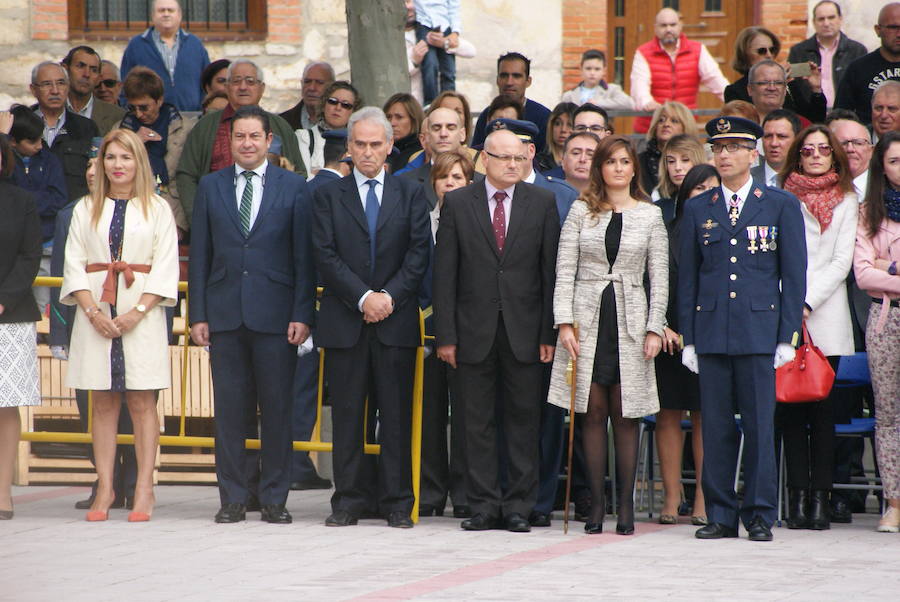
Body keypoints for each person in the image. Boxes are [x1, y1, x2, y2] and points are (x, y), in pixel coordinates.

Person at [678, 116, 806, 542]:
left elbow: (794, 274)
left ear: (753, 154)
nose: (725, 154)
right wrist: (690, 337)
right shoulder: (699, 207)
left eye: (734, 147)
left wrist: (788, 335)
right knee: (714, 427)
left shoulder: (780, 204)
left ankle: (759, 514)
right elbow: (689, 278)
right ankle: (719, 513)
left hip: (758, 330)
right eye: (718, 147)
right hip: (712, 330)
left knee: (759, 426)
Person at [189, 106, 315, 524]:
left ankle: (275, 497)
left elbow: (303, 257)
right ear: (230, 141)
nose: (246, 144)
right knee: (230, 411)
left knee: (278, 409)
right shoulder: (210, 186)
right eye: (239, 137)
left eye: (254, 137)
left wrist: (303, 313)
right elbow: (202, 254)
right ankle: (233, 498)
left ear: (268, 140)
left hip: (277, 315)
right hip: (224, 315)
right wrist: (198, 314)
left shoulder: (295, 187)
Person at [433, 128, 559, 533]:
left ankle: (519, 506)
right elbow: (445, 275)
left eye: (519, 159)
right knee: (476, 422)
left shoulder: (541, 201)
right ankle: (483, 504)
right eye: (504, 158)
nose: (512, 165)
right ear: (483, 159)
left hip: (525, 331)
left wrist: (547, 335)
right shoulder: (458, 202)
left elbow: (549, 273)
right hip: (472, 331)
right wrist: (446, 336)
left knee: (524, 421)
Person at [312, 107, 430, 528]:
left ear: (390, 146)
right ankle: (348, 501)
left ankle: (398, 501)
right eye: (359, 144)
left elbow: (419, 255)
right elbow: (324, 255)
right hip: (346, 320)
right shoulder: (328, 194)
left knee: (395, 415)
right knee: (347, 415)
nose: (366, 152)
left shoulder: (411, 193)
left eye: (375, 144)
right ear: (348, 147)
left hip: (395, 322)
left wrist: (388, 298)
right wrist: (363, 298)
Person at [548, 134, 667, 534]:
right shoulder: (582, 210)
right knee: (592, 412)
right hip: (587, 314)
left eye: (624, 161)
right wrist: (564, 321)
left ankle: (627, 507)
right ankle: (596, 505)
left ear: (634, 168)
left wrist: (654, 326)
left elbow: (659, 277)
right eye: (610, 161)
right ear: (600, 168)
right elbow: (565, 268)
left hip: (630, 317)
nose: (617, 168)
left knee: (626, 413)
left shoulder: (650, 215)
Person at [60, 128, 179, 522]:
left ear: (138, 162)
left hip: (140, 314)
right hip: (95, 313)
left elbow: (165, 265)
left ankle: (144, 487)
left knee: (143, 401)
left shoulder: (157, 207)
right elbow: (73, 262)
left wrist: (137, 312)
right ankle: (106, 486)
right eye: (111, 157)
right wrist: (93, 311)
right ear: (101, 163)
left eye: (126, 157)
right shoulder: (85, 208)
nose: (118, 165)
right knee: (104, 402)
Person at [777, 124, 857, 531]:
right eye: (807, 150)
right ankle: (796, 498)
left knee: (824, 413)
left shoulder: (847, 199)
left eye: (823, 149)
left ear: (834, 155)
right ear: (798, 155)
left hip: (826, 315)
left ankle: (821, 501)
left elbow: (842, 261)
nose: (815, 156)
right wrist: (791, 302)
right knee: (791, 410)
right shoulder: (780, 196)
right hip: (785, 313)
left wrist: (806, 301)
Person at [653, 163, 721, 527]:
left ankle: (702, 499)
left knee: (704, 417)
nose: (705, 195)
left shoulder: (727, 231)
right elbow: (653, 280)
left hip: (708, 336)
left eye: (712, 188)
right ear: (685, 194)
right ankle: (671, 495)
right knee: (667, 414)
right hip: (668, 336)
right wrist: (661, 325)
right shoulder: (667, 230)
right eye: (698, 189)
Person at [176, 59, 305, 228]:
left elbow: (299, 174)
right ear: (227, 87)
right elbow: (187, 174)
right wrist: (198, 218)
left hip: (271, 226)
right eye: (236, 81)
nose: (243, 87)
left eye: (250, 81)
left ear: (262, 88)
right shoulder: (206, 126)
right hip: (215, 222)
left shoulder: (280, 126)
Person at [418, 149, 475, 518]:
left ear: (470, 184)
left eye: (457, 178)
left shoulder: (475, 222)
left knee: (469, 415)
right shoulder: (421, 223)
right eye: (444, 178)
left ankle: (467, 492)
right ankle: (430, 490)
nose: (450, 184)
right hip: (425, 330)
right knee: (429, 413)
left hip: (467, 330)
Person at [854, 130, 900, 533]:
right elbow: (864, 274)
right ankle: (893, 502)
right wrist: (885, 270)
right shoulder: (869, 210)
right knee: (887, 415)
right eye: (893, 161)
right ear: (881, 166)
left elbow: (879, 269)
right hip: (886, 318)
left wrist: (889, 266)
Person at [0, 133, 42, 521]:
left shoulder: (21, 201)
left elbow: (30, 257)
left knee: (5, 404)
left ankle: (3, 493)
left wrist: (4, 297)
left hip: (8, 314)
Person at [3, 106, 67, 314]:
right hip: (12, 250)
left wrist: (25, 203)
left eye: (41, 139)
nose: (40, 145)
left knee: (44, 305)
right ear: (12, 142)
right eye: (32, 141)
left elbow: (59, 199)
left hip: (47, 243)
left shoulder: (50, 160)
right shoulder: (8, 166)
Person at [120, 66, 192, 236]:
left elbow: (189, 177)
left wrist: (181, 223)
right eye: (132, 108)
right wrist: (134, 143)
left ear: (159, 101)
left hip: (174, 211)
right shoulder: (121, 131)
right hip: (132, 212)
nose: (138, 114)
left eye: (144, 107)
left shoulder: (185, 128)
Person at [630, 7, 728, 133]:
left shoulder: (698, 50)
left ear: (680, 26)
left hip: (684, 126)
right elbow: (639, 83)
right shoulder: (643, 52)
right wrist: (646, 102)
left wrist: (733, 100)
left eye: (672, 24)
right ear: (655, 28)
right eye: (663, 25)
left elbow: (715, 79)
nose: (668, 29)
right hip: (651, 127)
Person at [119, 0, 210, 112]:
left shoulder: (195, 44)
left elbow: (207, 84)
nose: (166, 14)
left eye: (170, 10)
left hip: (192, 118)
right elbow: (125, 86)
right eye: (161, 10)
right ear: (152, 15)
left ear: (179, 15)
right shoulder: (137, 45)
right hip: (150, 120)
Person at [30, 60, 100, 203]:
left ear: (68, 87)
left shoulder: (86, 128)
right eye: (47, 84)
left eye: (61, 83)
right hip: (30, 217)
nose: (55, 90)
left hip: (74, 214)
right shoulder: (21, 125)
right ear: (33, 89)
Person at [726, 27, 827, 125]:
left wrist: (816, 90)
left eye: (772, 50)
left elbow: (814, 121)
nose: (769, 55)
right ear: (745, 54)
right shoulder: (735, 90)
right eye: (762, 51)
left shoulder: (788, 82)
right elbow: (742, 123)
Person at [787, 1, 868, 109]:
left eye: (831, 18)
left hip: (846, 114)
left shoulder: (856, 51)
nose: (826, 23)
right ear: (814, 22)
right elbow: (794, 87)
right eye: (821, 19)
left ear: (840, 19)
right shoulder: (800, 52)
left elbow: (863, 88)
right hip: (811, 115)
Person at [471, 52, 551, 152]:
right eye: (504, 76)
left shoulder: (543, 116)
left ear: (528, 81)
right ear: (497, 80)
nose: (509, 82)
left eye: (516, 76)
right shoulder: (486, 114)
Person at [835, 3, 900, 126]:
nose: (899, 34)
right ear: (878, 30)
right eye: (893, 27)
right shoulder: (858, 69)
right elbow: (840, 118)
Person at [400, 107, 466, 209]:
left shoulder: (481, 182)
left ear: (462, 134)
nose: (443, 134)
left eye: (450, 127)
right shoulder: (405, 183)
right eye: (436, 128)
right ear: (427, 137)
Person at [299, 80, 361, 177]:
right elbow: (303, 177)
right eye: (333, 102)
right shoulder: (304, 137)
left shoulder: (359, 143)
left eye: (345, 105)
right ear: (324, 105)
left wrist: (321, 173)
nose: (338, 108)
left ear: (354, 112)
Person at [62, 46, 125, 136]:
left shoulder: (118, 116)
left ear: (98, 77)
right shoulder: (47, 110)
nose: (87, 74)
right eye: (80, 66)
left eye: (93, 70)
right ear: (65, 69)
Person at [638, 101, 697, 196]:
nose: (666, 124)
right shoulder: (639, 161)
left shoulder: (696, 158)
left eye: (674, 121)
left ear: (685, 126)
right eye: (661, 120)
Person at [746, 60, 825, 126]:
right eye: (764, 83)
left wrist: (816, 89)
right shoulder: (740, 122)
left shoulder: (801, 124)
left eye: (778, 83)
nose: (772, 88)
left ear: (785, 90)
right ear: (750, 89)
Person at [412, 0, 460, 104]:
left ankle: (450, 103)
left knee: (449, 70)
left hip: (445, 25)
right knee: (430, 65)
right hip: (423, 23)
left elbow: (454, 8)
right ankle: (430, 104)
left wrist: (455, 32)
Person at [561, 49, 633, 110]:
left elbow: (629, 103)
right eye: (588, 68)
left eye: (597, 69)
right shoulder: (569, 95)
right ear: (581, 69)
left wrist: (598, 103)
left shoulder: (611, 90)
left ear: (604, 70)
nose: (592, 73)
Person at [828, 110, 873, 201]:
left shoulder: (887, 186)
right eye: (843, 143)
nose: (850, 149)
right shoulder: (821, 187)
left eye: (858, 143)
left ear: (872, 151)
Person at [752, 109, 802, 187]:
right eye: (768, 136)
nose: (774, 143)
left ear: (797, 140)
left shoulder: (808, 180)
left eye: (781, 136)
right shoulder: (745, 179)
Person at [280, 61, 335, 131]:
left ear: (332, 87)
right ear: (301, 84)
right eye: (307, 81)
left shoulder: (344, 122)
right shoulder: (282, 123)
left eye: (319, 82)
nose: (312, 88)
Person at [653, 133, 706, 203]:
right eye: (671, 161)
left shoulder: (714, 201)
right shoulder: (659, 207)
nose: (677, 167)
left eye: (685, 160)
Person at [383, 93, 425, 173]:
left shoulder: (421, 154)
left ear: (414, 120)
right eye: (388, 117)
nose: (392, 123)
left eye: (399, 117)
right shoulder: (381, 151)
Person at [536, 102, 575, 174]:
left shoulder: (583, 162)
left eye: (570, 124)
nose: (563, 129)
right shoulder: (538, 162)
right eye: (557, 123)